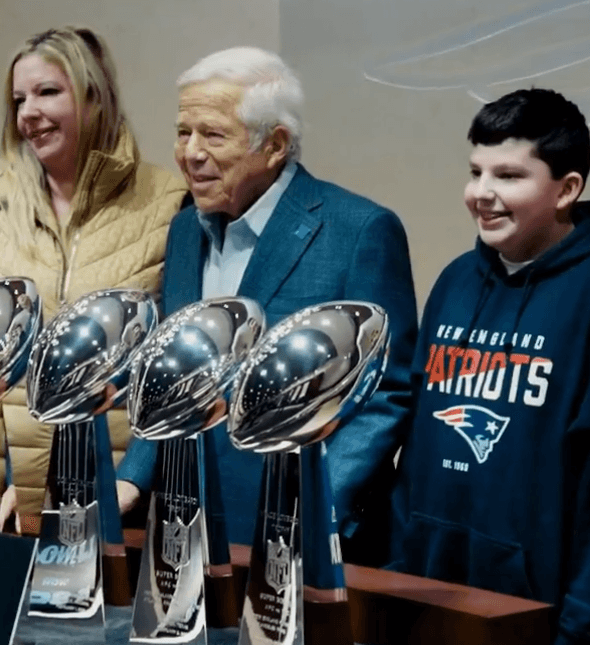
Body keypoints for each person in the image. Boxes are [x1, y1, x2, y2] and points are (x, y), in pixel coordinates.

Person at [116, 47, 418, 574]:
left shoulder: (358, 230)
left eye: (212, 135)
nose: (189, 153)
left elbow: (385, 393)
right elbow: (171, 377)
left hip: (299, 538)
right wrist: (131, 478)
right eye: (183, 132)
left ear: (275, 144)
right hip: (184, 524)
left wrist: (316, 505)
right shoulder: (186, 228)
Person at [0, 27, 188, 529]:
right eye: (19, 99)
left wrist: (130, 481)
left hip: (122, 505)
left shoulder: (169, 203)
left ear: (95, 97)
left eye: (47, 92)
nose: (28, 114)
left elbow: (178, 365)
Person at [386, 88, 590, 644]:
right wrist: (397, 567)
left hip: (544, 610)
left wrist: (589, 618)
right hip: (430, 594)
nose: (481, 194)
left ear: (567, 189)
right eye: (475, 172)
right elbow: (416, 446)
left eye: (509, 176)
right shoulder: (457, 280)